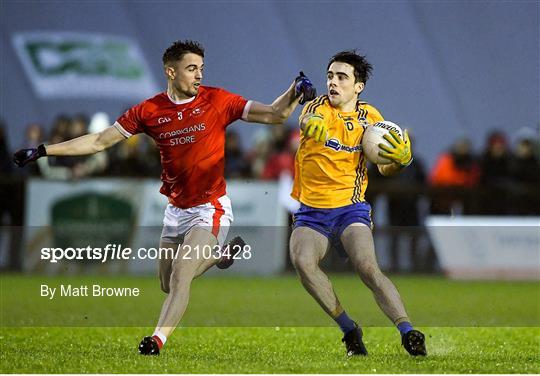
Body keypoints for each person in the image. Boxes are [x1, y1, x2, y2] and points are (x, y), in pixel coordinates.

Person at [13, 39, 317, 355]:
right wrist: (44, 150)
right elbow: (100, 141)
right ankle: (219, 255)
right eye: (191, 69)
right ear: (170, 72)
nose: (198, 75)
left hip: (209, 208)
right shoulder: (149, 110)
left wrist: (295, 90)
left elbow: (274, 115)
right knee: (167, 283)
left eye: (201, 68)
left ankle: (156, 340)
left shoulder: (217, 101)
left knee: (182, 275)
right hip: (176, 210)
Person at [289, 50, 426, 356]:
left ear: (358, 86)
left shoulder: (371, 119)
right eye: (330, 76)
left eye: (341, 77)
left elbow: (384, 168)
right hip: (311, 212)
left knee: (368, 268)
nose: (332, 83)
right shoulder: (317, 107)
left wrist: (400, 160)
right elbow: (308, 118)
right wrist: (310, 124)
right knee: (303, 263)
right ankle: (349, 329)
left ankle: (409, 332)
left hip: (350, 208)